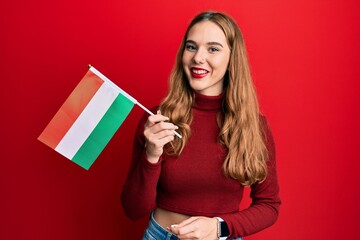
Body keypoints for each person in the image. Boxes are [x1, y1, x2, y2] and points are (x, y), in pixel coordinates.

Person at [121, 11, 281, 240]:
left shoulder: (254, 127)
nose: (198, 58)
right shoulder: (158, 120)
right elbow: (133, 210)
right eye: (191, 47)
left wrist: (219, 227)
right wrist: (151, 155)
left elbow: (269, 205)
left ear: (231, 58)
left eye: (213, 49)